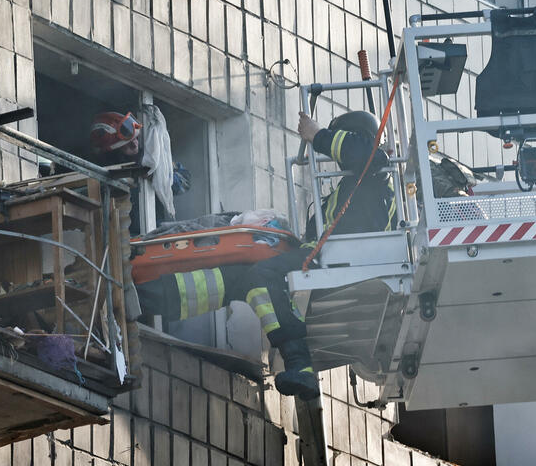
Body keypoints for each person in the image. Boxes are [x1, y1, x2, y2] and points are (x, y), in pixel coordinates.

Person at [135, 109, 396, 399]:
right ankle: (140, 299)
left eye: (342, 140)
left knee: (264, 274)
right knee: (236, 278)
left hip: (341, 264)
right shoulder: (355, 184)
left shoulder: (375, 174)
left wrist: (318, 134)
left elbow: (365, 155)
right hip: (327, 261)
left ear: (361, 138)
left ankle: (300, 365)